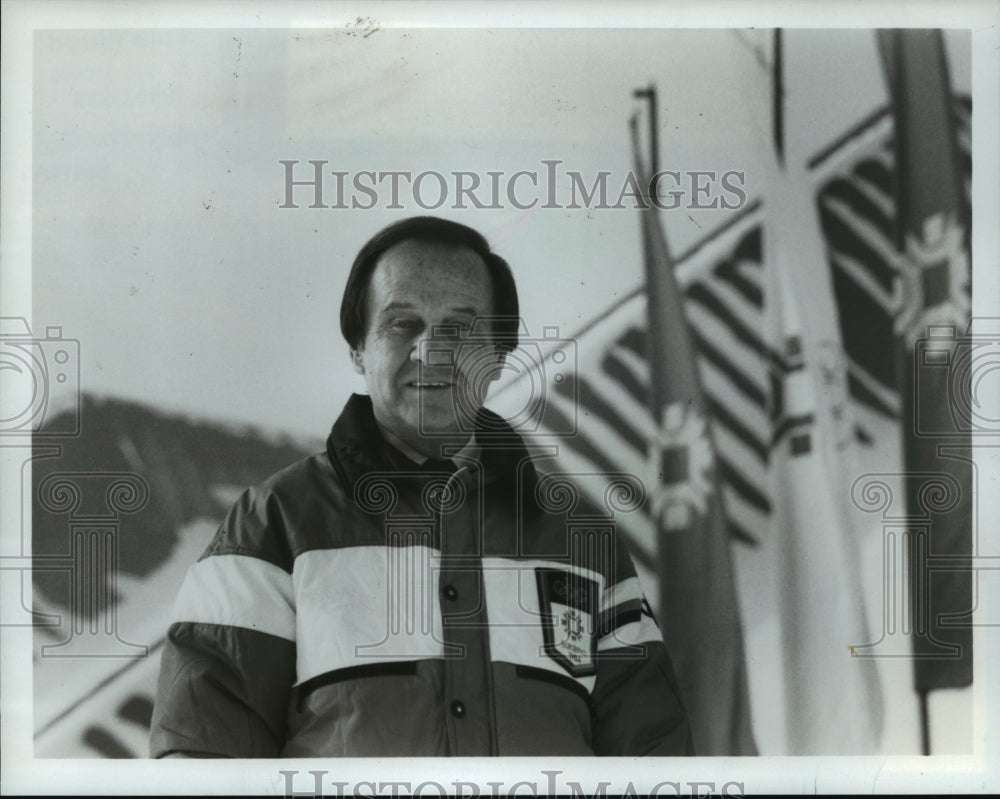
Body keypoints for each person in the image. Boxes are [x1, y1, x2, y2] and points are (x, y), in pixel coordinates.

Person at [149, 215, 693, 757]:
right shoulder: (272, 525)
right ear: (358, 350)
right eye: (402, 323)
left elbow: (654, 759)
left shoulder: (582, 537)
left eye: (460, 326)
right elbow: (199, 757)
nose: (432, 348)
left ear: (500, 353)